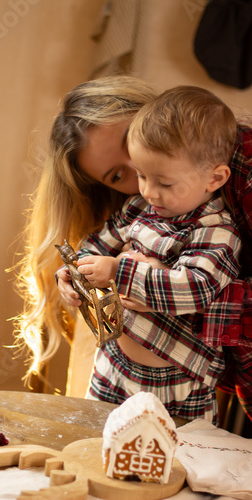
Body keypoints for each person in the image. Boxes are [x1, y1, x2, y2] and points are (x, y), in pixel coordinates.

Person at [13, 75, 252, 420]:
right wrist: (75, 269)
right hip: (114, 367)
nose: (147, 183)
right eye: (122, 175)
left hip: (182, 383)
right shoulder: (140, 204)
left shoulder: (218, 226)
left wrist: (128, 274)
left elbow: (198, 287)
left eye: (130, 139)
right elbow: (100, 242)